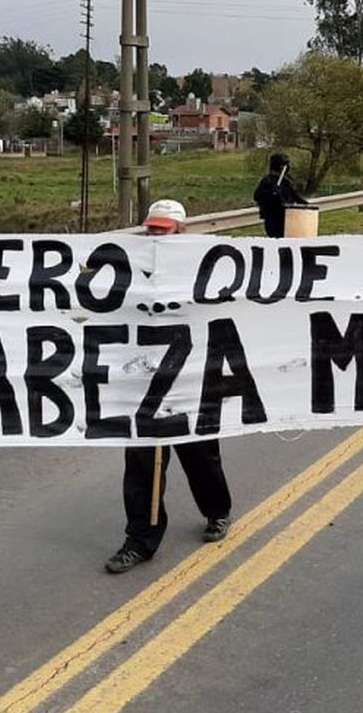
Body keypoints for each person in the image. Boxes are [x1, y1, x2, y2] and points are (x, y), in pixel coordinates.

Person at [105, 199, 234, 574]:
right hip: (144, 383)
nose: (155, 234)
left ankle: (218, 511)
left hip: (191, 379)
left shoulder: (202, 270)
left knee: (200, 454)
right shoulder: (132, 270)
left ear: (181, 230)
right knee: (142, 462)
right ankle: (140, 540)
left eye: (163, 228)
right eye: (151, 228)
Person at [253, 153, 308, 239]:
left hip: (288, 217)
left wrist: (305, 204)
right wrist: (271, 192)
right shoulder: (268, 180)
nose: (286, 167)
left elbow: (294, 194)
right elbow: (257, 196)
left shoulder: (287, 180)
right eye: (283, 165)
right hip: (273, 218)